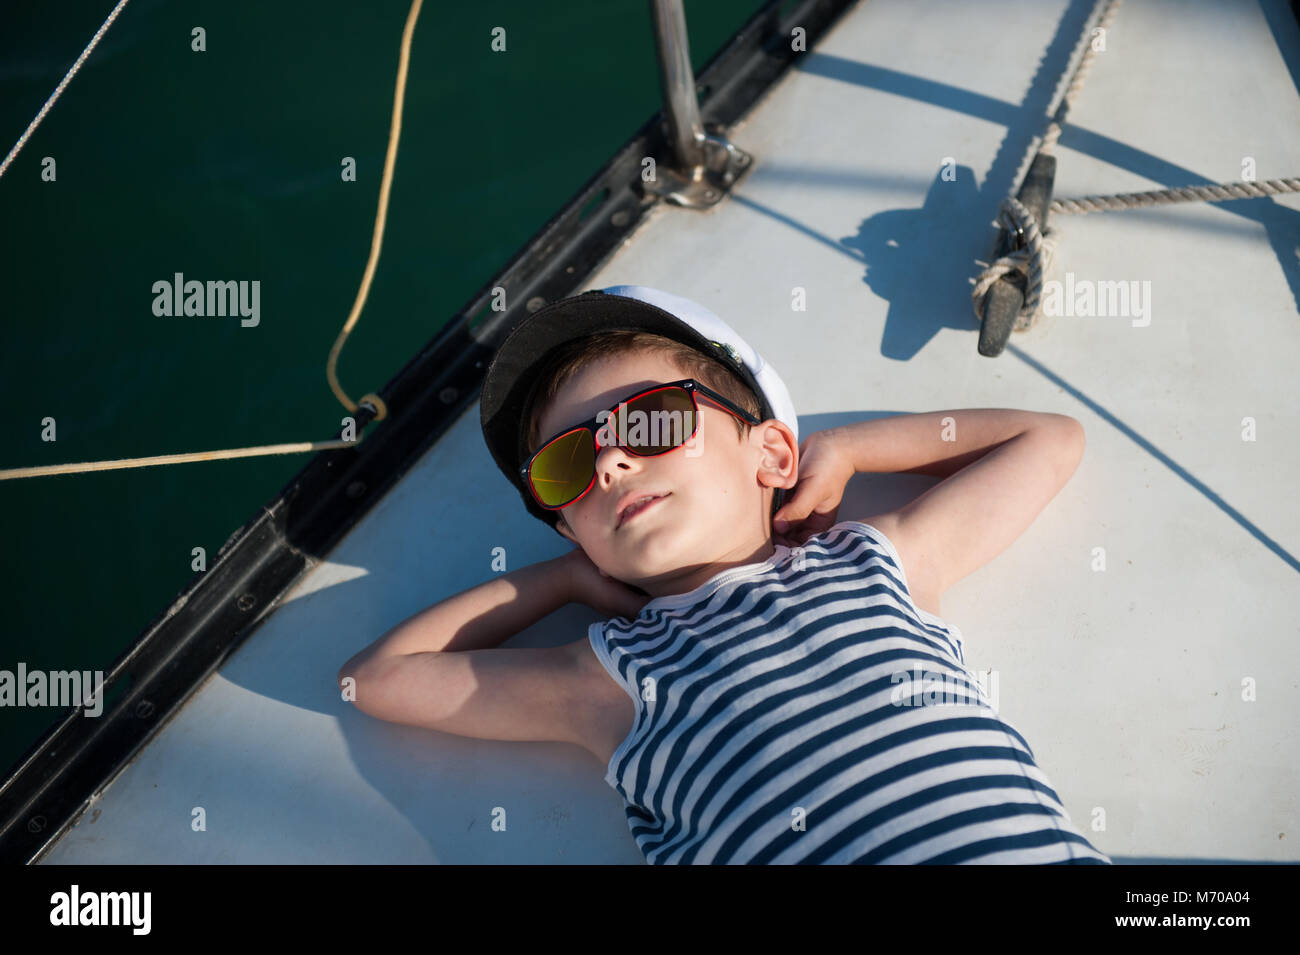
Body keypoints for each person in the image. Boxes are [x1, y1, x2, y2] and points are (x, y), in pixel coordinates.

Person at [338, 285, 1111, 864]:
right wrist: (564, 580)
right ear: (574, 529)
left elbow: (1047, 440)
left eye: (649, 420)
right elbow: (377, 680)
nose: (609, 459)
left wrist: (843, 449)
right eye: (565, 465)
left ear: (771, 454)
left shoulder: (875, 559)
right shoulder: (611, 673)